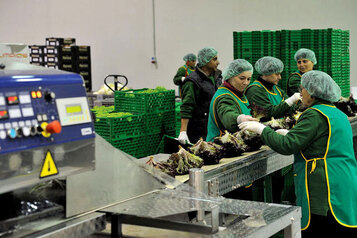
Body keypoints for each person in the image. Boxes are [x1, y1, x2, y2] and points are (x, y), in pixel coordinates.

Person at [239, 70, 357, 237]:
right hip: (343, 180)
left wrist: (262, 129)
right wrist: (291, 134)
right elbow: (324, 142)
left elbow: (287, 146)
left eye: (303, 89)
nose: (300, 93)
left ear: (313, 91)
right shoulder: (337, 113)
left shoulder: (314, 114)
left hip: (324, 185)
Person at [245, 56, 300, 205]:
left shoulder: (276, 89)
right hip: (263, 140)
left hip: (277, 139)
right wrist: (290, 101)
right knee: (263, 186)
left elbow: (289, 109)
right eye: (276, 74)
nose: (280, 77)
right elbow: (268, 112)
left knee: (278, 183)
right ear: (265, 72)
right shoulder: (255, 90)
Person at [178, 47, 222, 144]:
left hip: (215, 126)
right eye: (214, 59)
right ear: (205, 61)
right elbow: (187, 106)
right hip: (199, 130)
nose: (218, 62)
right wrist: (183, 131)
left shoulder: (217, 76)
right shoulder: (192, 82)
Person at [206, 59, 256, 142]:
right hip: (220, 145)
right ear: (230, 76)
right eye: (242, 78)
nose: (246, 83)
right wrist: (239, 119)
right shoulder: (224, 97)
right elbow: (227, 115)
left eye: (248, 79)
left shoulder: (238, 93)